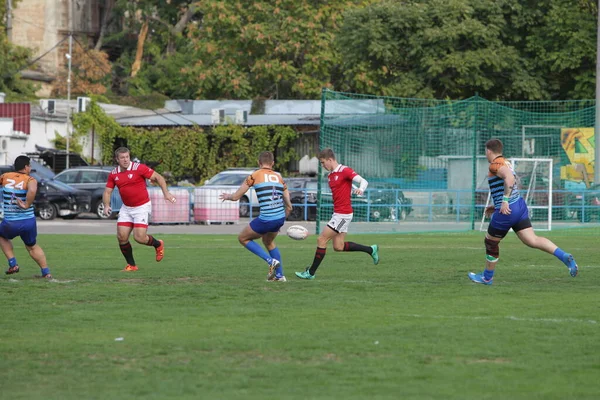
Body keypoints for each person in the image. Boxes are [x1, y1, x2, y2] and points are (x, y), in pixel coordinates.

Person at [468, 138, 578, 285]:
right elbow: (512, 182)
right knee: (532, 240)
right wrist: (497, 204)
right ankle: (564, 256)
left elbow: (510, 178)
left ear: (488, 151)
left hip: (509, 209)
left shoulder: (495, 164)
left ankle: (487, 277)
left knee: (490, 242)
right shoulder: (506, 162)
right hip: (519, 205)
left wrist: (505, 201)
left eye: (485, 152)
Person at [295, 148, 379, 280]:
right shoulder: (330, 176)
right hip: (338, 214)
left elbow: (363, 181)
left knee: (321, 239)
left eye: (323, 163)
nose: (323, 166)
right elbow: (347, 189)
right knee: (338, 246)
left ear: (330, 159)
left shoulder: (344, 170)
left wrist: (361, 190)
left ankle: (310, 273)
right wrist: (353, 190)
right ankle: (371, 250)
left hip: (343, 214)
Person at [219, 151, 292, 282]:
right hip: (279, 216)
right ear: (273, 163)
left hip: (267, 218)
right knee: (268, 241)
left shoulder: (254, 176)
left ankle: (270, 261)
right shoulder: (279, 177)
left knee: (243, 238)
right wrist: (282, 219)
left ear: (259, 163)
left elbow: (236, 197)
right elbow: (288, 202)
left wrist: (227, 196)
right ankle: (280, 276)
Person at [102, 147, 176, 272]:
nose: (125, 160)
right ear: (117, 159)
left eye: (127, 157)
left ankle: (158, 244)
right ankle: (131, 265)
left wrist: (166, 193)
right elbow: (107, 192)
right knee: (121, 236)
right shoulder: (114, 174)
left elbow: (158, 177)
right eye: (122, 158)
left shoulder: (139, 168)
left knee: (139, 238)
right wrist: (106, 205)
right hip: (126, 208)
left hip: (141, 206)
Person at [0, 156, 52, 279]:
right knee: (32, 246)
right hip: (28, 221)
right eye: (30, 166)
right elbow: (32, 191)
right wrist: (26, 204)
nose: (30, 168)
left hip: (11, 222)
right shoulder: (30, 179)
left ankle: (13, 264)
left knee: (2, 236)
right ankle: (46, 272)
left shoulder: (5, 176)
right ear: (26, 167)